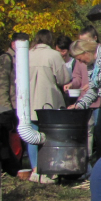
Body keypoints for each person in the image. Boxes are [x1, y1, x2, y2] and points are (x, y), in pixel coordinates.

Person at [28, 30, 71, 171]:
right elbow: (63, 78)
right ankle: (51, 165)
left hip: (29, 101)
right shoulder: (54, 55)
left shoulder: (27, 54)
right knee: (51, 135)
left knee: (31, 135)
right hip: (49, 100)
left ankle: (35, 167)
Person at [77, 27, 101, 159]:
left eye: (86, 41)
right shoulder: (80, 56)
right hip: (86, 98)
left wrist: (95, 82)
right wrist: (72, 84)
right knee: (85, 132)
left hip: (100, 100)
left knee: (100, 131)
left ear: (94, 39)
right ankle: (86, 160)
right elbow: (77, 76)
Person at [0, 32, 29, 110]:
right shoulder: (6, 59)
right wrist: (6, 110)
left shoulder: (26, 58)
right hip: (12, 107)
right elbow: (1, 87)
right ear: (13, 44)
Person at [56, 34, 89, 105]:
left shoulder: (76, 62)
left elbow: (78, 79)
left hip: (73, 98)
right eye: (58, 51)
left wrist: (71, 85)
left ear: (68, 51)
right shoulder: (55, 63)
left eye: (63, 51)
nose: (60, 54)